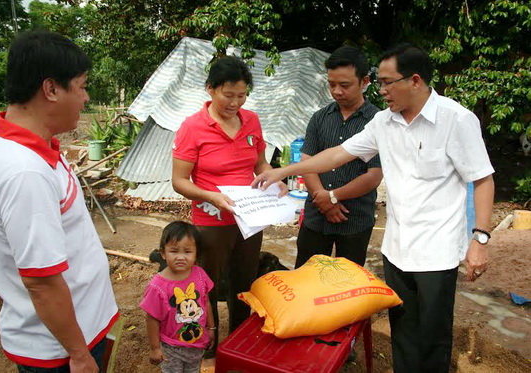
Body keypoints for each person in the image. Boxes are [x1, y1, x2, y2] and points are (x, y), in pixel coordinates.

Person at [252, 43, 495, 373]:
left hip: (437, 251)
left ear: (415, 80)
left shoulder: (456, 119)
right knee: (403, 330)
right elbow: (339, 154)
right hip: (396, 248)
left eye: (386, 82)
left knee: (433, 334)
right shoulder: (384, 122)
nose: (381, 91)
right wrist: (283, 171)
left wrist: (479, 239)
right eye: (378, 83)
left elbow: (482, 179)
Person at [0, 31, 119, 372]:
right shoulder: (25, 172)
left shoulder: (38, 148)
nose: (86, 98)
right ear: (51, 89)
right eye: (82, 86)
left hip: (77, 330)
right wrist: (80, 355)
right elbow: (41, 282)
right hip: (60, 351)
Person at [172, 56, 287, 353]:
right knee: (207, 282)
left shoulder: (251, 120)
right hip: (211, 220)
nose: (235, 102)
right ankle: (208, 341)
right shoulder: (193, 127)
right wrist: (211, 197)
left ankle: (239, 339)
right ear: (210, 89)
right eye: (228, 95)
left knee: (244, 280)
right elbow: (179, 181)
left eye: (241, 95)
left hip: (249, 217)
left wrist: (273, 180)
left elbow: (260, 163)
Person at [295, 45, 382, 269]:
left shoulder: (379, 122)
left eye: (344, 85)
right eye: (331, 84)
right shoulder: (319, 118)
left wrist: (333, 197)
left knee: (347, 286)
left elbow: (373, 175)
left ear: (365, 82)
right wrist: (322, 198)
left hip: (354, 218)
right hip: (316, 216)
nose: (337, 91)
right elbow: (308, 163)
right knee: (306, 279)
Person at [141, 221, 215, 372]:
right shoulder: (157, 287)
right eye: (174, 251)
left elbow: (205, 302)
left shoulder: (200, 275)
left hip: (197, 343)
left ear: (196, 254)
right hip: (171, 347)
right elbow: (152, 319)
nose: (181, 257)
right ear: (163, 253)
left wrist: (211, 327)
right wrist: (155, 348)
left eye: (187, 252)